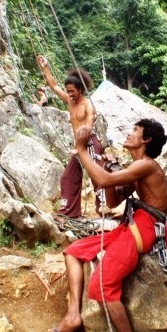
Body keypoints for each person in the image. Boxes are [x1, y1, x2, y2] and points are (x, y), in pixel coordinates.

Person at [48, 119, 167, 332]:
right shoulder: (137, 169)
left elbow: (103, 181)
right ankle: (73, 315)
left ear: (146, 139)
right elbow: (113, 199)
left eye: (135, 130)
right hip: (132, 226)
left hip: (142, 229)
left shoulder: (147, 165)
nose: (129, 132)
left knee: (102, 286)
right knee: (73, 251)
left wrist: (82, 149)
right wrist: (106, 168)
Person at [36, 55, 105, 218]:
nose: (70, 94)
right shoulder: (69, 100)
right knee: (68, 177)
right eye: (68, 91)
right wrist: (45, 67)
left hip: (90, 144)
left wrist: (79, 147)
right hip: (78, 146)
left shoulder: (88, 105)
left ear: (80, 89)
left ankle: (104, 209)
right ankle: (69, 212)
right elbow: (53, 85)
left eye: (72, 91)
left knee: (98, 177)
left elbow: (88, 126)